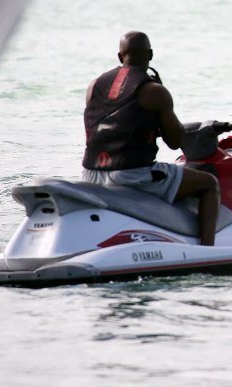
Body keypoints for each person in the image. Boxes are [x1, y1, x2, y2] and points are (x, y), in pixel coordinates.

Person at [81, 31, 220, 245]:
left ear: (120, 57)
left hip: (90, 173)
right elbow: (174, 142)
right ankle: (208, 250)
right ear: (151, 54)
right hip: (130, 175)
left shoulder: (94, 86)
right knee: (209, 183)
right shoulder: (154, 91)